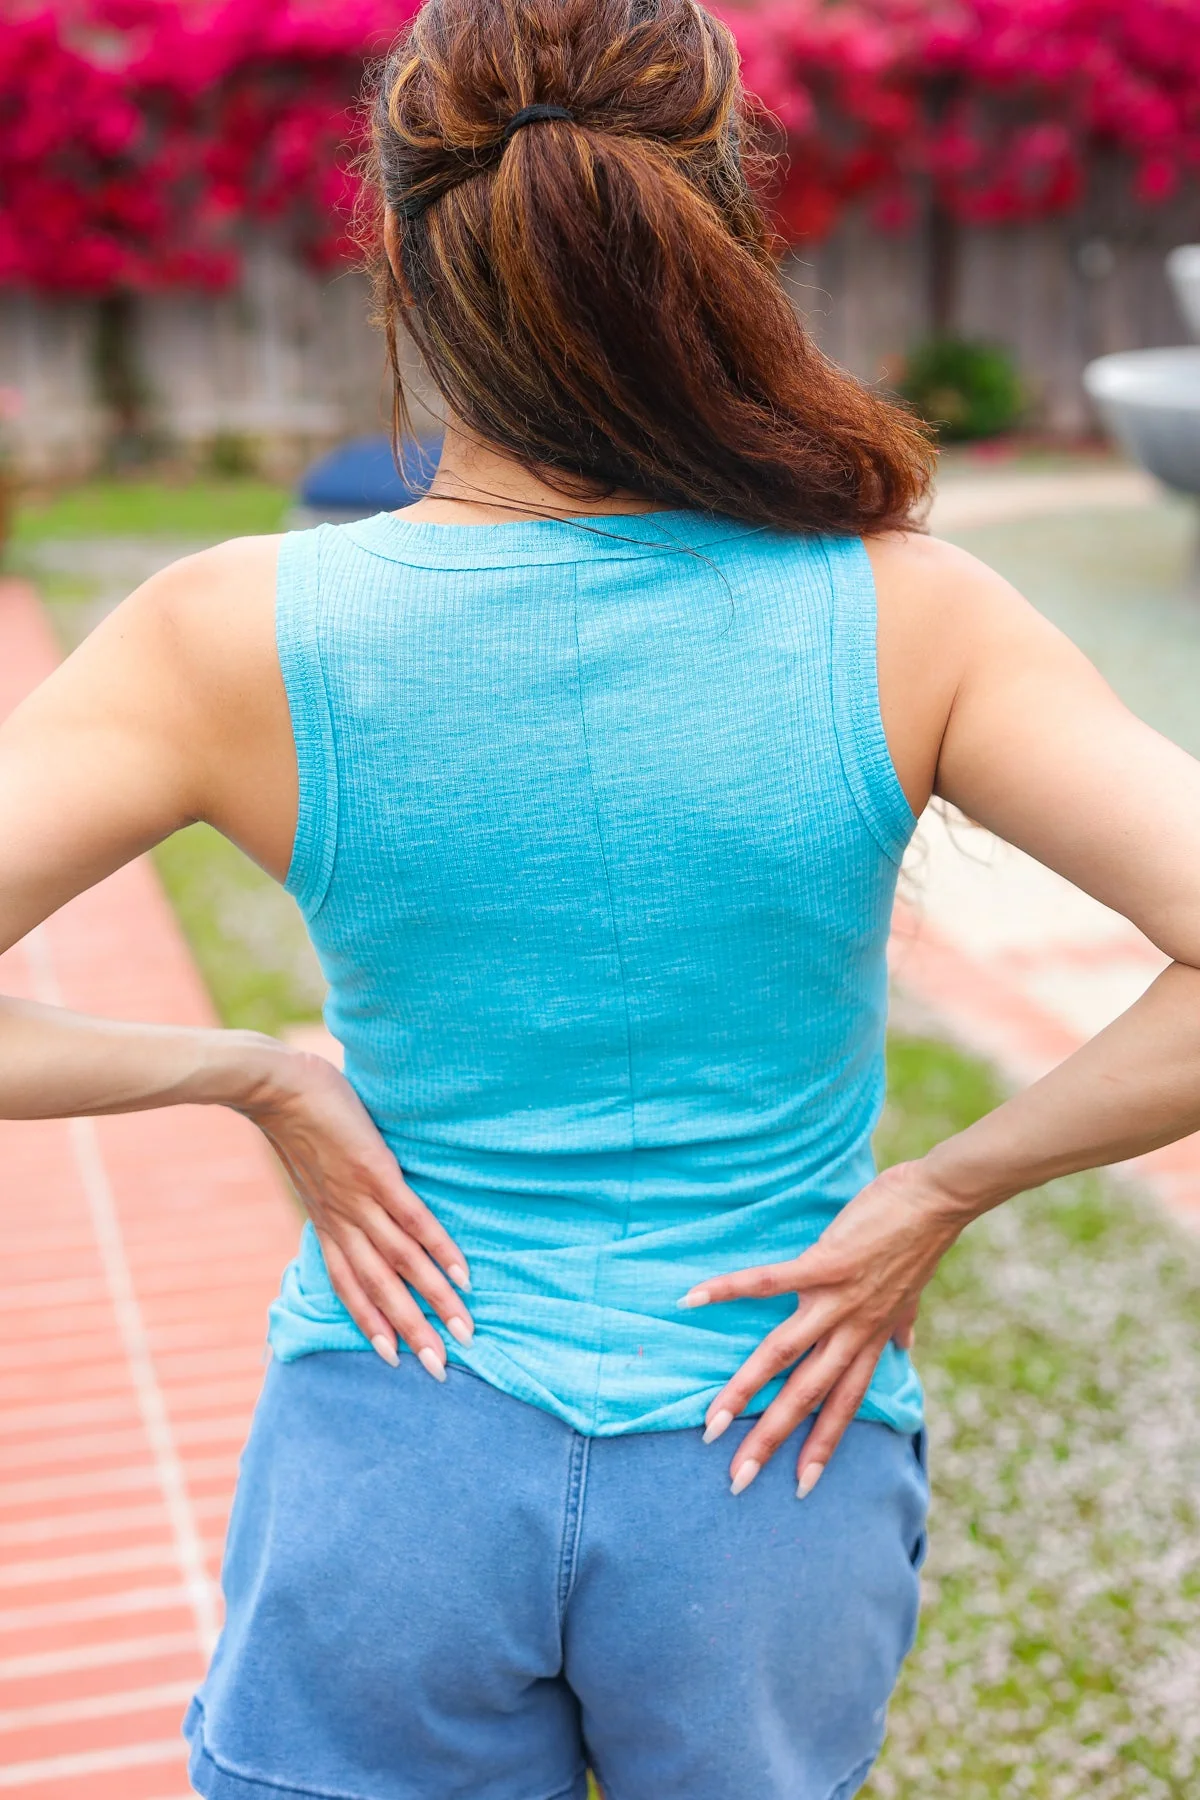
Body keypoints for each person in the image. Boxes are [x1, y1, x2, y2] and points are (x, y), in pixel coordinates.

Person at [4, 1, 1200, 1795]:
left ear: (395, 251)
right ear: (719, 231)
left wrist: (246, 1071)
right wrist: (948, 1187)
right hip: (768, 1455)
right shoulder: (911, 614)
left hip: (391, 1451)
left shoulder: (226, 633)